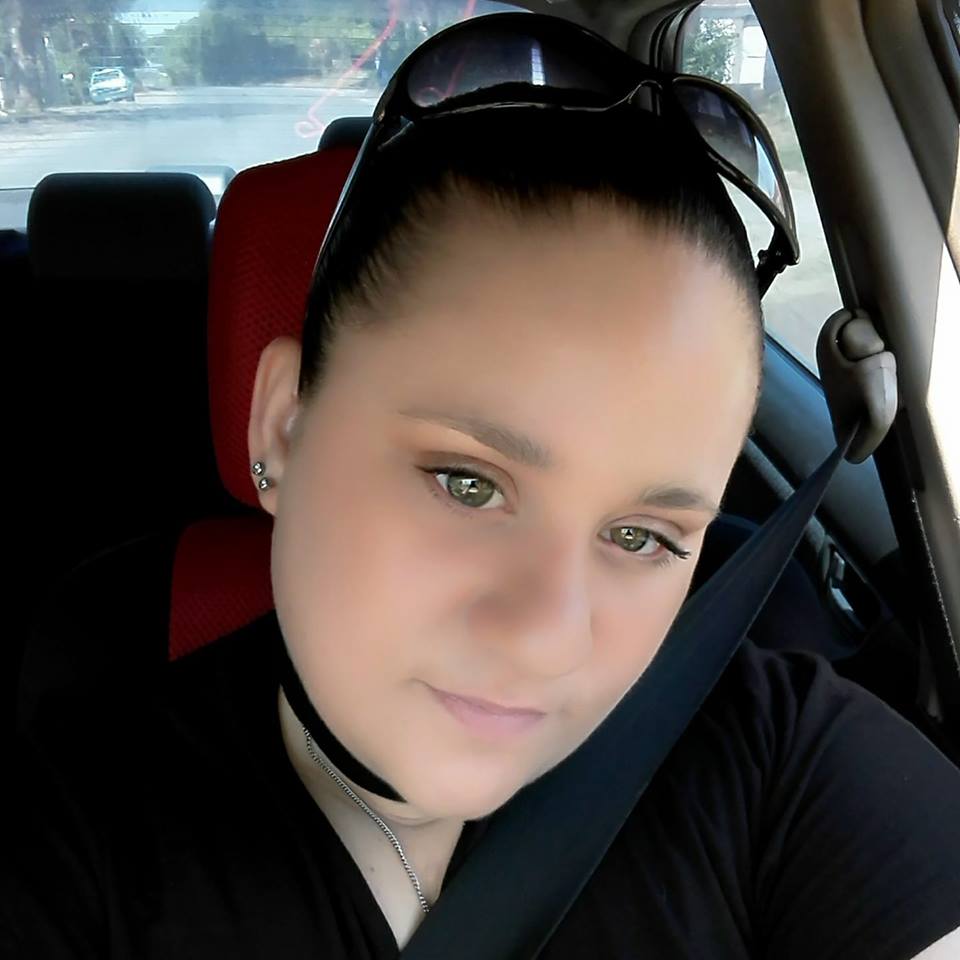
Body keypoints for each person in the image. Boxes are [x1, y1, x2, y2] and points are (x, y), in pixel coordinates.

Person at [7, 15, 960, 960]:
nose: (548, 638)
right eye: (467, 484)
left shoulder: (780, 762)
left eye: (642, 537)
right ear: (284, 427)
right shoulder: (71, 837)